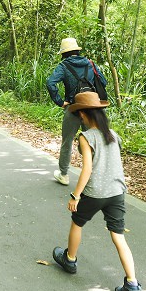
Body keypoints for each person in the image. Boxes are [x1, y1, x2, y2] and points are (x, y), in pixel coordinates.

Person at [51, 91, 143, 291]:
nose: (80, 118)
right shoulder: (113, 134)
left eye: (80, 114)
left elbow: (87, 170)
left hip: (95, 193)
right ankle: (132, 284)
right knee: (118, 236)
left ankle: (70, 259)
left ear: (83, 114)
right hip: (117, 192)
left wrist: (75, 195)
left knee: (77, 222)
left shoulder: (86, 136)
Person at [45, 37, 107, 185]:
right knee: (93, 141)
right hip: (91, 108)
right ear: (77, 51)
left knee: (67, 142)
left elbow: (50, 82)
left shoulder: (64, 66)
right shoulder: (90, 63)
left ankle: (64, 174)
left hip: (73, 108)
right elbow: (103, 81)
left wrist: (60, 101)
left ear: (64, 53)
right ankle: (94, 176)